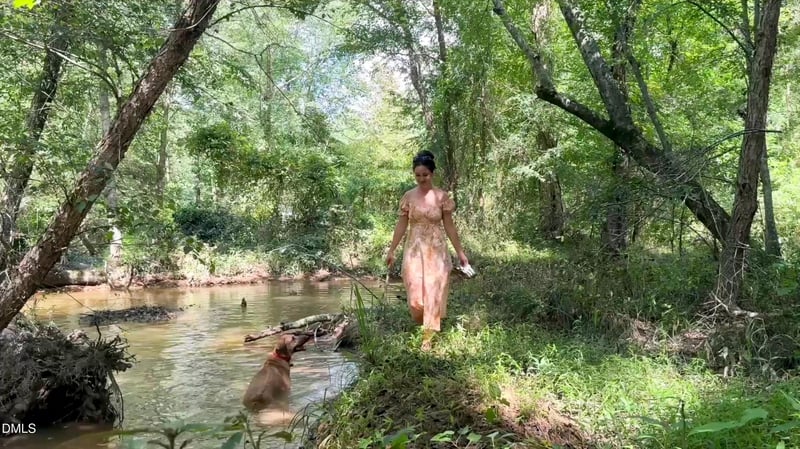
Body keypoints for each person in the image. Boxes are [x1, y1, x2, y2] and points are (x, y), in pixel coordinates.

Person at [386, 150, 469, 351]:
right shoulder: (409, 196)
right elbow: (401, 224)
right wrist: (392, 250)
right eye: (418, 175)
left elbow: (449, 226)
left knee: (432, 291)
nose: (422, 178)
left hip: (436, 249)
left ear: (432, 174)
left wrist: (460, 252)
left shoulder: (441, 196)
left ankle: (427, 338)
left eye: (425, 175)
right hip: (414, 248)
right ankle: (424, 322)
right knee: (415, 298)